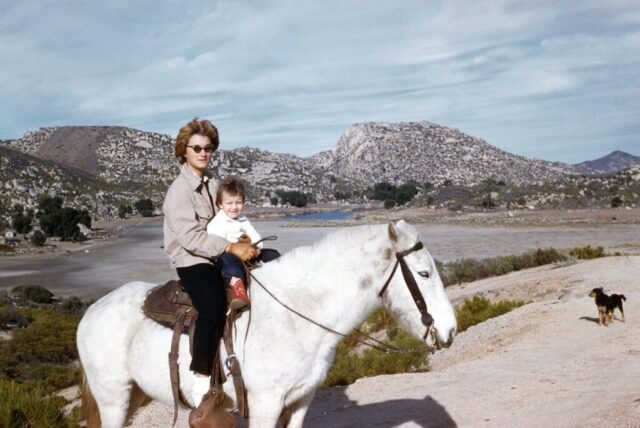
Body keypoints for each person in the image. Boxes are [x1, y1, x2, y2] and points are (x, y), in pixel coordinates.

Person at [162, 118, 259, 405]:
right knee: (213, 304)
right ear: (184, 151)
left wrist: (244, 241)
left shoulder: (213, 184)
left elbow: (229, 217)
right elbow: (191, 238)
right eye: (197, 148)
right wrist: (230, 247)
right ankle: (201, 375)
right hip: (192, 258)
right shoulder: (178, 192)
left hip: (219, 250)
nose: (204, 153)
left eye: (209, 148)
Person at [207, 177, 281, 310]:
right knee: (230, 261)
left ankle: (280, 280)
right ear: (220, 204)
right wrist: (235, 249)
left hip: (248, 253)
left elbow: (254, 236)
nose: (234, 207)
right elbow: (217, 246)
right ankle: (238, 290)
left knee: (273, 254)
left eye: (238, 203)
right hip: (227, 256)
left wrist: (257, 248)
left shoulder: (243, 220)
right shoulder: (217, 223)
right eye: (229, 203)